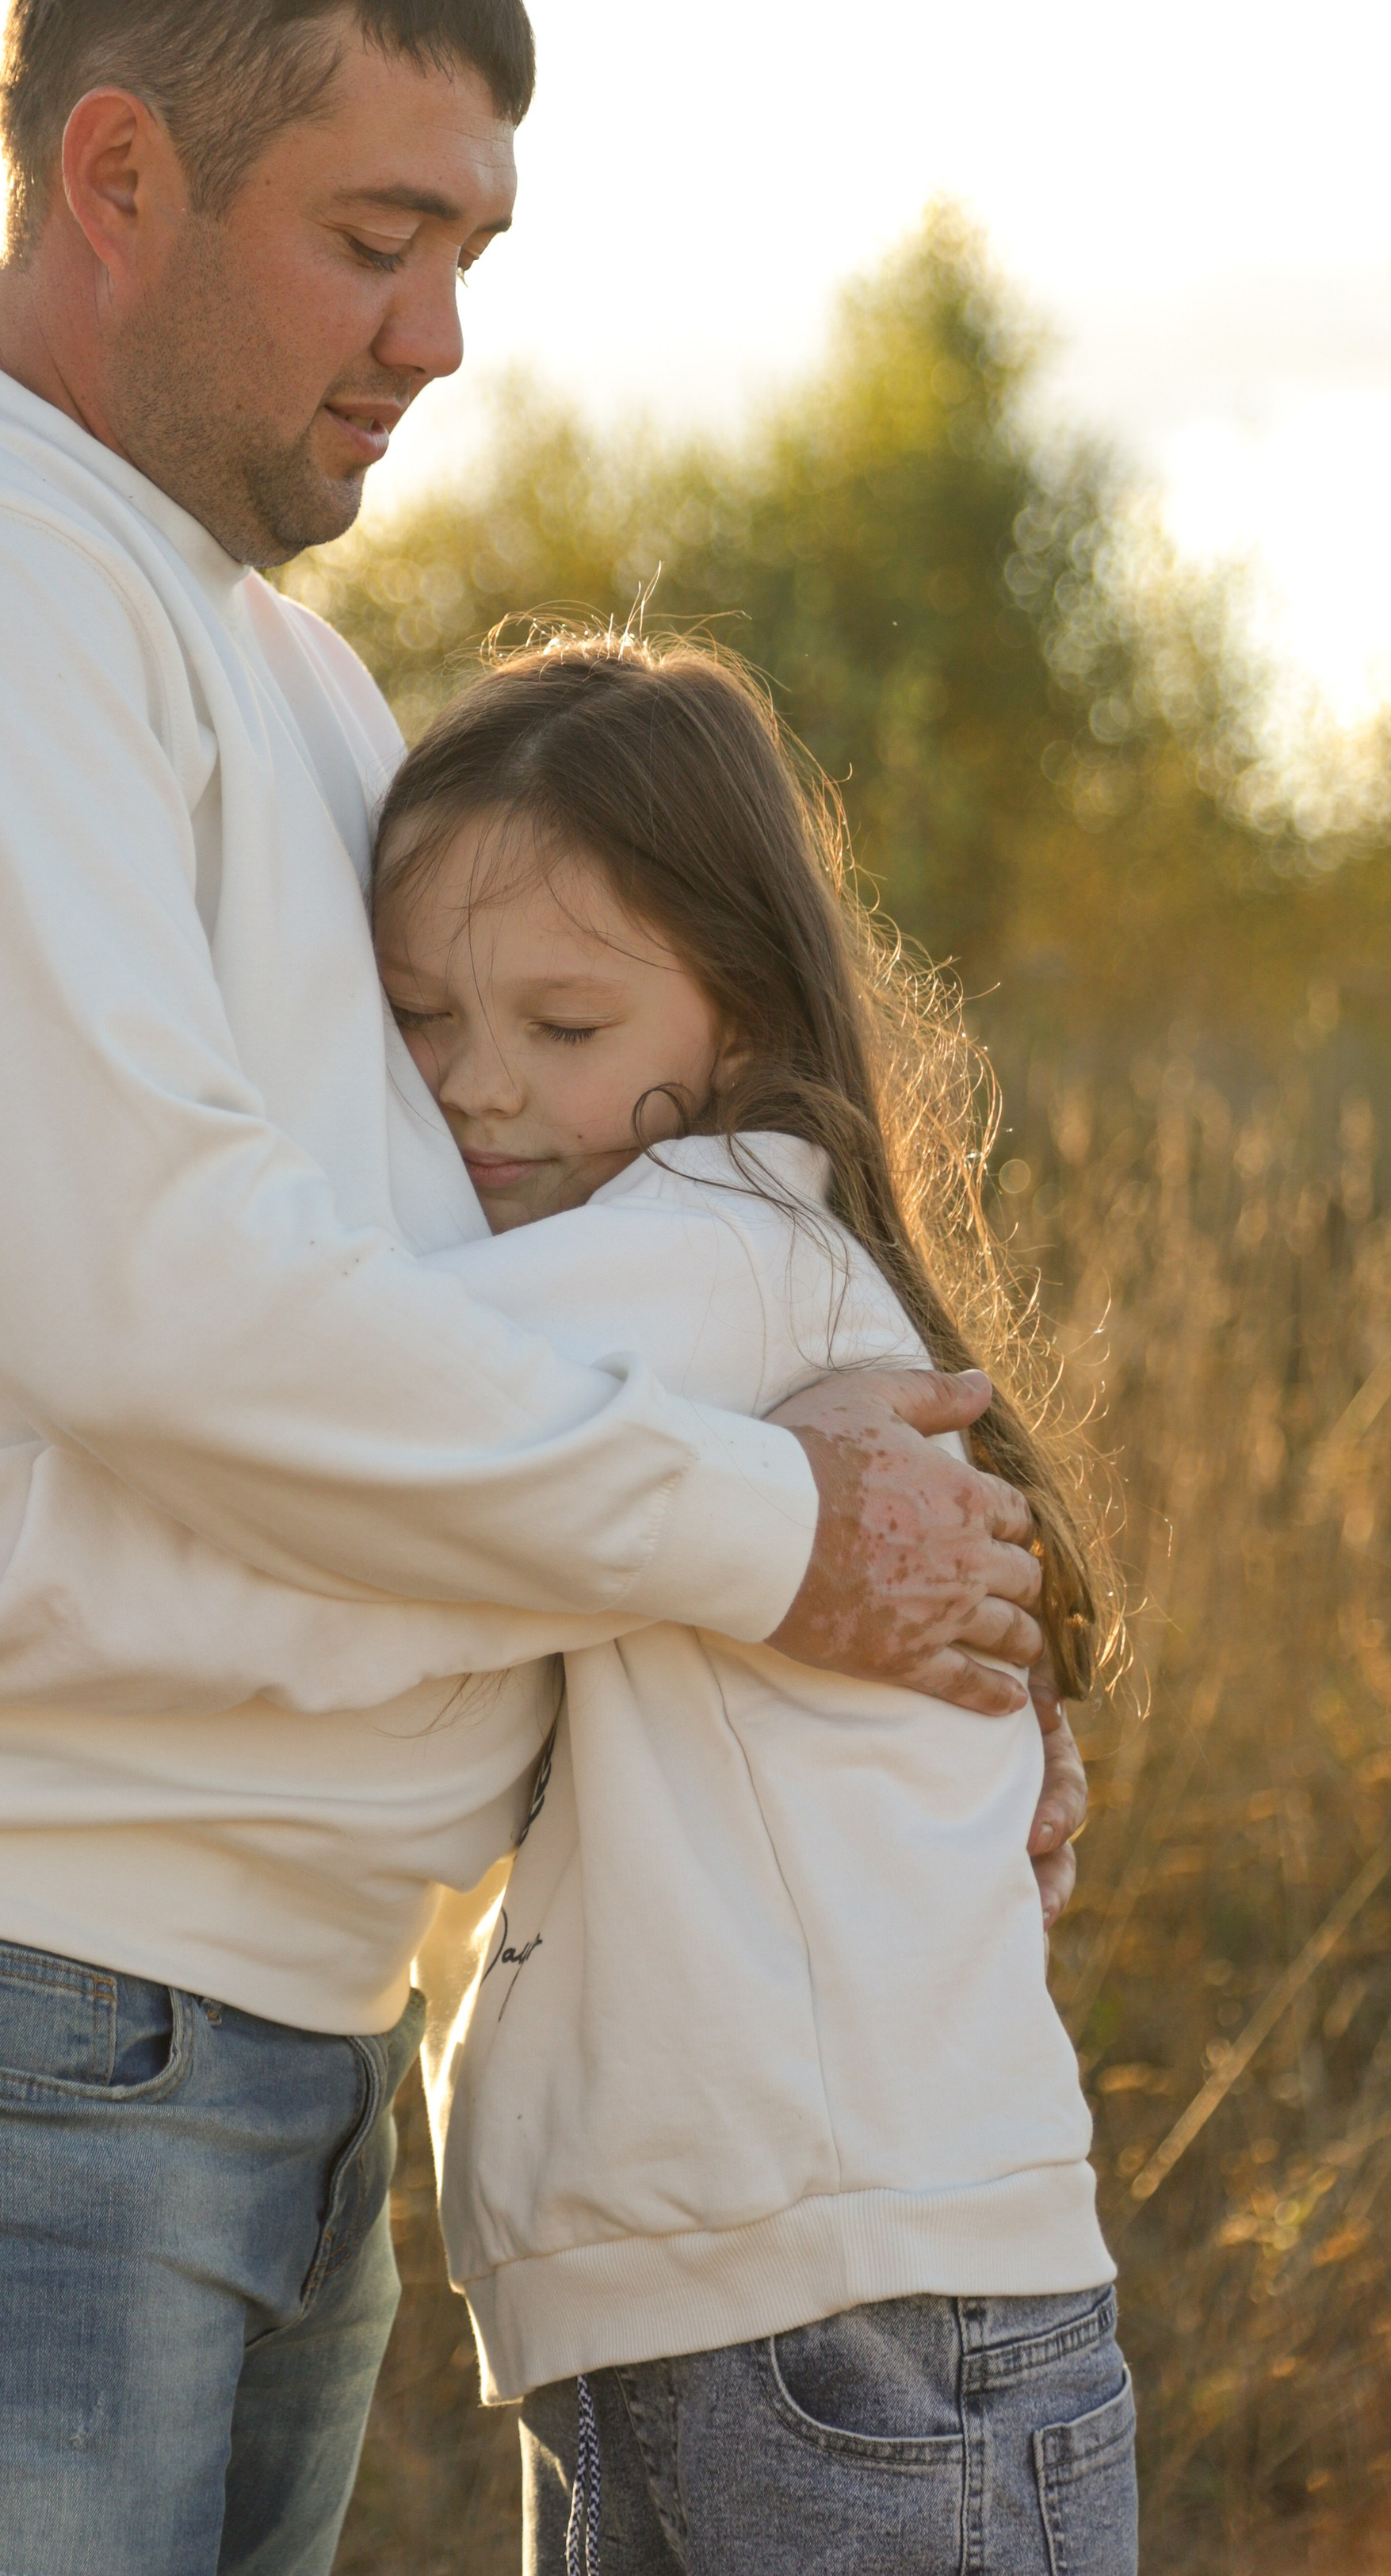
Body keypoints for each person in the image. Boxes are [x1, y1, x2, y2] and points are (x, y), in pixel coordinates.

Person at [0, 0, 1080, 2576]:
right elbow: (182, 1324)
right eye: (377, 237)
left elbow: (455, 1347)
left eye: (472, 247)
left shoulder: (279, 663)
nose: (440, 338)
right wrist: (780, 1539)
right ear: (117, 177)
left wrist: (859, 1461)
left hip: (264, 2018)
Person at [374, 634, 1137, 2576]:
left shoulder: (702, 1239)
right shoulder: (687, 1268)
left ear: (733, 1013)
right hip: (755, 2301)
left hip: (836, 2320)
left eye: (560, 1027)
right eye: (413, 1019)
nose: (474, 1089)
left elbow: (307, 1417)